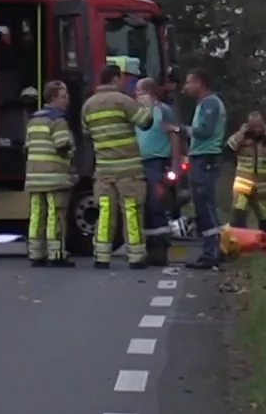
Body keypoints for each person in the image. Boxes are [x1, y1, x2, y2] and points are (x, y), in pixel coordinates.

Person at [82, 63, 152, 269]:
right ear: (115, 79)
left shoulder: (88, 105)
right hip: (128, 171)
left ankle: (101, 256)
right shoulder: (124, 101)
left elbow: (87, 133)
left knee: (104, 212)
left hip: (103, 171)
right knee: (131, 211)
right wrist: (148, 105)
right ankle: (136, 256)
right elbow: (145, 122)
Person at [175, 70, 227, 270]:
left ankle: (211, 252)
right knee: (203, 204)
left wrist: (180, 130)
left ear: (200, 83)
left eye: (189, 82)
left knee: (205, 204)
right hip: (201, 157)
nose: (186, 87)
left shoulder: (210, 104)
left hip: (205, 158)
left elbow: (204, 131)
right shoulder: (204, 104)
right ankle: (213, 249)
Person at [24, 81, 75, 268]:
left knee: (37, 214)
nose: (67, 100)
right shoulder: (58, 120)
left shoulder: (33, 119)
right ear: (54, 98)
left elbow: (27, 146)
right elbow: (62, 145)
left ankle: (36, 253)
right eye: (64, 96)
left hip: (34, 177)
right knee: (56, 214)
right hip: (54, 177)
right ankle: (56, 254)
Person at [132, 77, 179, 267]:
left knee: (156, 205)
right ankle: (149, 248)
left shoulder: (164, 111)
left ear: (150, 93)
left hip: (157, 163)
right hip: (140, 163)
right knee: (144, 206)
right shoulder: (139, 114)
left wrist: (175, 165)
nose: (136, 95)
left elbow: (174, 137)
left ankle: (160, 250)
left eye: (140, 91)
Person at [226, 110, 266, 235]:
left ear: (263, 124)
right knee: (239, 213)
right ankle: (239, 240)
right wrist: (241, 133)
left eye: (259, 126)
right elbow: (230, 147)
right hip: (243, 183)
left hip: (264, 186)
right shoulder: (242, 137)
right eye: (253, 126)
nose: (256, 129)